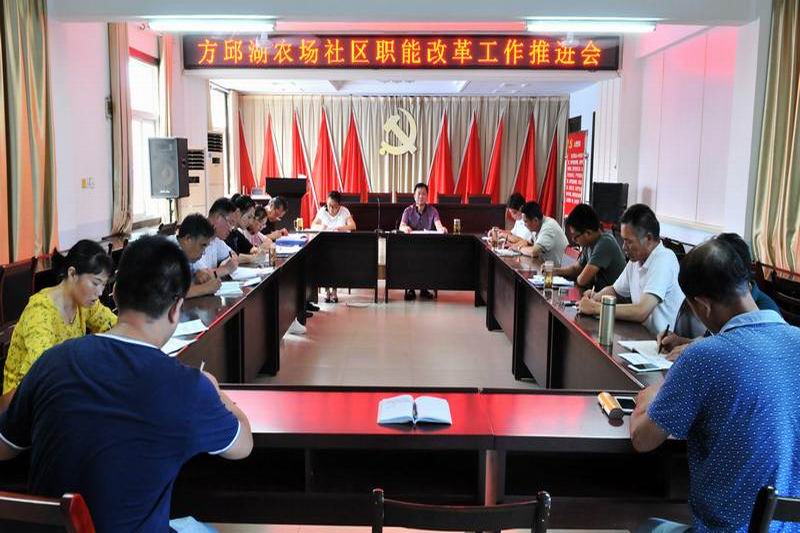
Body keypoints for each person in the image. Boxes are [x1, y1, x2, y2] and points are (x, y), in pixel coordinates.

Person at [0, 236, 253, 532]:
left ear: (115, 294)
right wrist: (215, 390)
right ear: (176, 309)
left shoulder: (51, 362)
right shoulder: (190, 387)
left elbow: (5, 447)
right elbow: (243, 445)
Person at [629, 238, 800, 532]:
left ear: (703, 305)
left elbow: (643, 439)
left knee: (644, 525)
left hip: (722, 528)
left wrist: (651, 395)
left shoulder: (705, 356)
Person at [2, 240, 116, 409]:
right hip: (23, 401)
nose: (100, 292)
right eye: (95, 283)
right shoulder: (40, 311)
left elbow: (115, 326)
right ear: (72, 274)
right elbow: (43, 370)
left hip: (61, 389)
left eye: (104, 285)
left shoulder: (85, 303)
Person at [658, 232, 782, 360]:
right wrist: (681, 341)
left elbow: (741, 355)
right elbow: (712, 340)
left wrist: (696, 352)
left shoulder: (764, 312)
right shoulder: (726, 305)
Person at [577, 204, 684, 335]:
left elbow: (641, 311)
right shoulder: (636, 260)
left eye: (629, 241)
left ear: (648, 238)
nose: (624, 247)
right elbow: (615, 290)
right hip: (640, 335)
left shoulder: (664, 259)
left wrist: (596, 308)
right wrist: (595, 297)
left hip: (661, 342)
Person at [555, 203, 626, 292]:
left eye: (575, 237)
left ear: (588, 233)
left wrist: (578, 276)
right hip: (601, 295)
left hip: (615, 299)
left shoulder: (605, 243)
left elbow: (582, 280)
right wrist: (554, 271)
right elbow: (576, 268)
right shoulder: (588, 244)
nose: (573, 240)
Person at [399, 183, 447, 301]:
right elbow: (401, 226)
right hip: (411, 245)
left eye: (424, 194)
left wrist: (442, 229)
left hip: (427, 245)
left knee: (428, 257)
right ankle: (411, 289)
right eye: (419, 194)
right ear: (414, 196)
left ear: (427, 196)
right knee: (410, 258)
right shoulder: (408, 210)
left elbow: (438, 225)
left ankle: (424, 288)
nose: (421, 196)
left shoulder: (433, 210)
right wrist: (405, 228)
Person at [311, 191, 357, 303]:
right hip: (324, 244)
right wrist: (321, 226)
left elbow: (353, 226)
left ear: (339, 205)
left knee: (335, 262)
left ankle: (334, 291)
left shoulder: (344, 211)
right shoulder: (323, 211)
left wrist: (342, 228)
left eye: (334, 206)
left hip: (339, 245)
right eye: (329, 205)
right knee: (324, 262)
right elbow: (313, 225)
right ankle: (327, 291)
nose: (331, 209)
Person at [170, 214, 222, 298]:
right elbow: (172, 293)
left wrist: (198, 274)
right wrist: (206, 288)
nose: (203, 252)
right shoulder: (167, 252)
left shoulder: (187, 253)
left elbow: (200, 273)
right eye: (203, 245)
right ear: (188, 239)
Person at [192, 197, 239, 278]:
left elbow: (232, 254)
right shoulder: (195, 236)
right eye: (230, 223)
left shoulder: (215, 238)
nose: (231, 229)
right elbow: (201, 277)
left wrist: (231, 261)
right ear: (218, 218)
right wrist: (226, 269)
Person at [518, 201, 569, 267]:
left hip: (559, 271)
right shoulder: (537, 227)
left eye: (525, 222)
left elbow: (534, 252)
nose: (524, 225)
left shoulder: (548, 227)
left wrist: (519, 248)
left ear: (535, 220)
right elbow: (529, 243)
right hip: (547, 268)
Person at [225, 194, 266, 264]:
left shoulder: (236, 233)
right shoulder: (224, 233)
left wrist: (257, 251)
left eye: (252, 218)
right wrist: (253, 258)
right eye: (249, 217)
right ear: (238, 212)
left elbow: (250, 248)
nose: (250, 222)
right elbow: (231, 257)